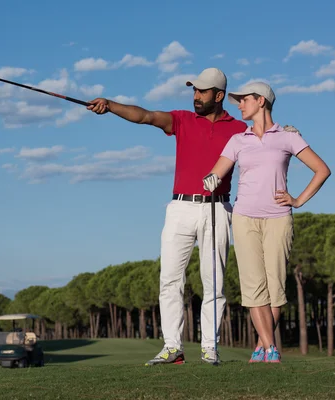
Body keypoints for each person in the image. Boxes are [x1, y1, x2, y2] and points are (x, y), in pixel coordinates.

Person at [87, 68, 246, 365]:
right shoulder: (182, 120)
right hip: (180, 208)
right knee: (170, 279)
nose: (195, 96)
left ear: (219, 95)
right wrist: (110, 105)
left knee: (214, 282)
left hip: (217, 208)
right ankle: (173, 347)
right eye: (194, 90)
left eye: (202, 91)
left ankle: (210, 348)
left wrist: (285, 130)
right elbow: (144, 116)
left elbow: (265, 143)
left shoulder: (238, 129)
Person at [203, 81, 331, 363]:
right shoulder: (238, 140)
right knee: (252, 287)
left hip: (278, 220)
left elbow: (322, 170)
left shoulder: (287, 137)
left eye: (244, 99)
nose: (239, 105)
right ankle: (271, 348)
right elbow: (216, 173)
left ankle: (263, 345)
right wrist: (207, 180)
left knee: (275, 289)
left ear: (261, 101)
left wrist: (298, 200)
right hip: (244, 218)